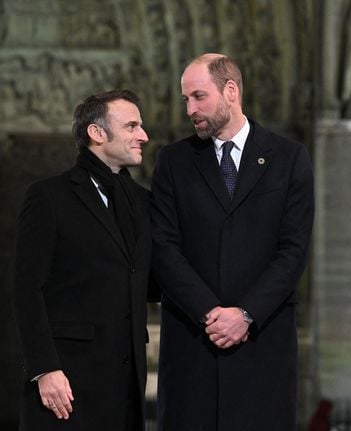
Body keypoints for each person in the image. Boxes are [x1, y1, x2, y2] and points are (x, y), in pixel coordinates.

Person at [151, 53, 315, 431]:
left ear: (230, 90)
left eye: (198, 96)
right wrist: (211, 313)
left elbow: (293, 251)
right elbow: (164, 248)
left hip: (262, 346)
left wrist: (244, 315)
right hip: (194, 345)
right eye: (185, 100)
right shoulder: (173, 161)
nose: (190, 109)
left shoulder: (289, 159)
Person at [12, 89, 151, 431]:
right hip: (65, 383)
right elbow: (26, 288)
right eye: (132, 126)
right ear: (97, 133)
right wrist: (44, 369)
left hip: (125, 386)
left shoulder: (143, 202)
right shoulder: (49, 197)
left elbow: (154, 279)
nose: (143, 136)